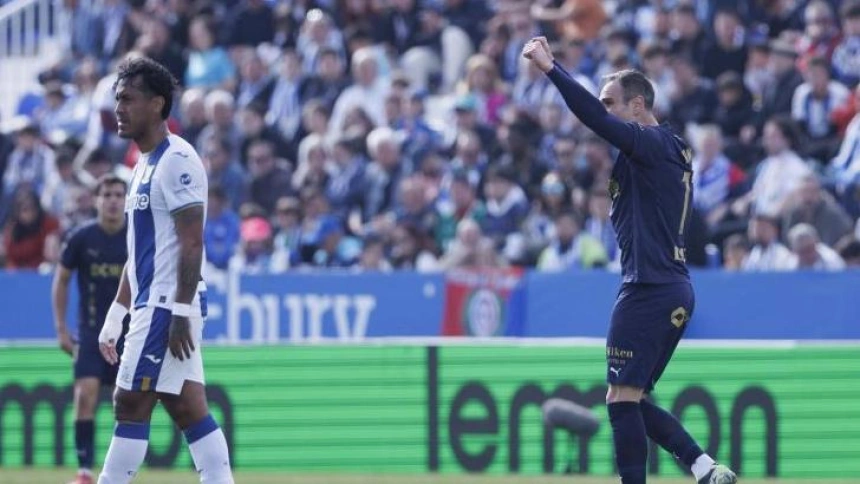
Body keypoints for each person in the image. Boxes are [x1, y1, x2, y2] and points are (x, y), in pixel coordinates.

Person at [523, 37, 737, 484]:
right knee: (632, 397)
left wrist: (551, 69)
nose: (605, 111)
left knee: (621, 399)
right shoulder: (662, 151)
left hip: (647, 287)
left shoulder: (654, 142)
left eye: (612, 102)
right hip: (672, 288)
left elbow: (594, 118)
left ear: (638, 106)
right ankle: (705, 469)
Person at [96, 57, 233, 484]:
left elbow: (192, 241)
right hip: (153, 302)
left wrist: (177, 309)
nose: (119, 108)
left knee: (129, 402)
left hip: (165, 304)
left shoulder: (178, 160)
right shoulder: (141, 165)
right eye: (117, 99)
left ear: (157, 104)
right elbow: (141, 254)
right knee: (188, 406)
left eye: (128, 99)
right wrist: (116, 316)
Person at [52, 175, 129, 484]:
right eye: (106, 194)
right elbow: (61, 279)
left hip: (129, 333)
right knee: (85, 395)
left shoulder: (135, 236)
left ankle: (119, 471)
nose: (112, 200)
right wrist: (60, 328)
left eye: (118, 194)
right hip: (90, 332)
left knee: (125, 402)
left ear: (126, 200)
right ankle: (84, 471)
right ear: (96, 200)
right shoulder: (81, 238)